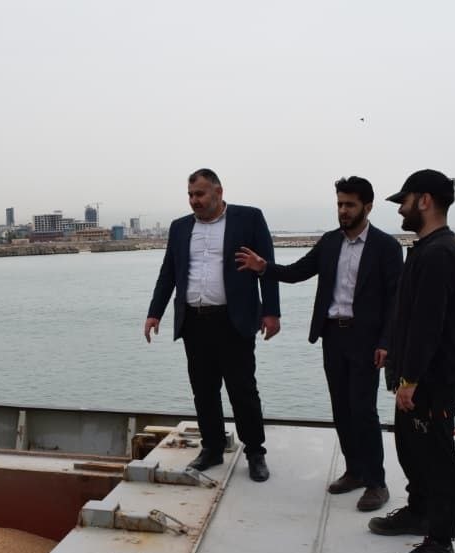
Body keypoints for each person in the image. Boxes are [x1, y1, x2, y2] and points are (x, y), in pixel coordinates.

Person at [235, 176, 403, 512]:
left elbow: (395, 301)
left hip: (366, 340)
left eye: (350, 204)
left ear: (368, 207)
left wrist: (387, 342)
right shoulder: (329, 242)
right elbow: (298, 271)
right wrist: (263, 268)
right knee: (341, 409)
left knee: (363, 411)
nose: (343, 210)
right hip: (333, 336)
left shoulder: (386, 246)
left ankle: (376, 483)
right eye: (340, 204)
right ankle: (354, 471)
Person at [367, 169, 455, 553]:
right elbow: (409, 317)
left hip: (434, 379)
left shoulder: (439, 253)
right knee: (411, 449)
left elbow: (430, 325)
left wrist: (410, 380)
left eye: (405, 201)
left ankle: (440, 541)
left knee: (438, 458)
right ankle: (419, 511)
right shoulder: (425, 249)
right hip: (415, 376)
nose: (401, 210)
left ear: (424, 200)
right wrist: (397, 363)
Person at [144, 168, 281, 481]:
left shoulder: (249, 218)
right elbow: (168, 273)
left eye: (200, 194)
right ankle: (212, 447)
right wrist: (155, 313)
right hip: (194, 320)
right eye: (190, 195)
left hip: (233, 320)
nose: (194, 200)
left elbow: (267, 267)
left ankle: (255, 452)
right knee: (203, 389)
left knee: (242, 389)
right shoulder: (180, 227)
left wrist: (271, 312)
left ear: (218, 192)